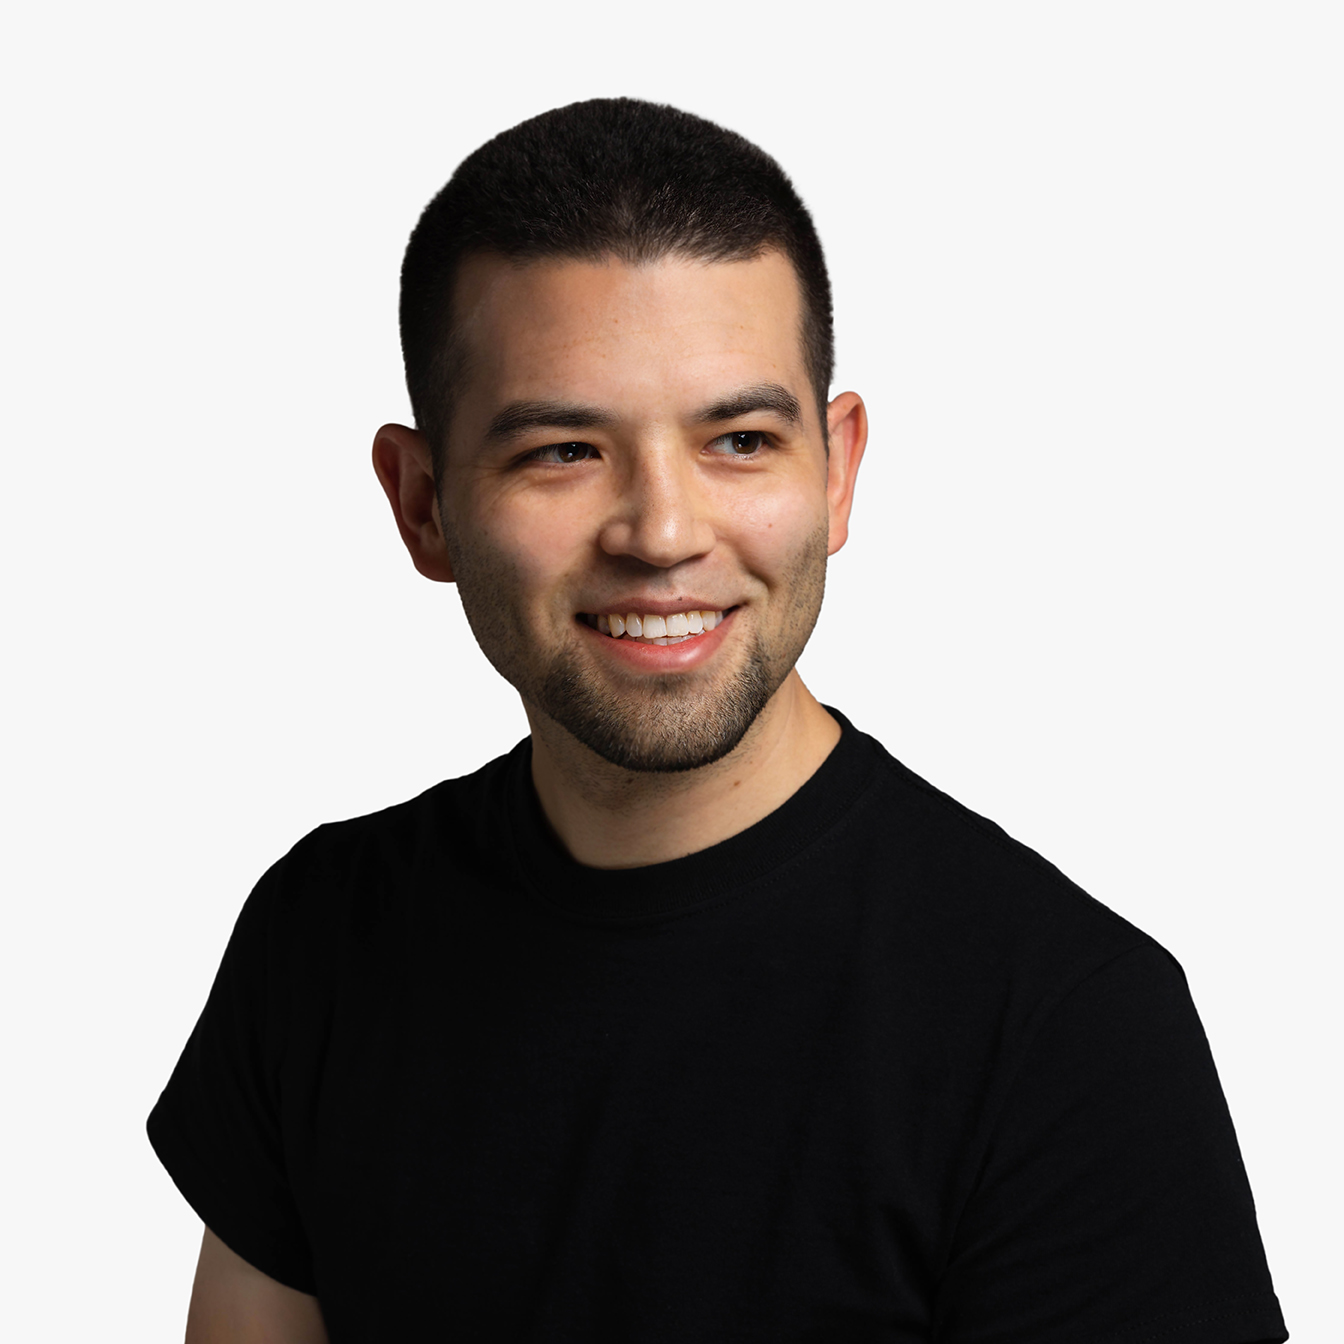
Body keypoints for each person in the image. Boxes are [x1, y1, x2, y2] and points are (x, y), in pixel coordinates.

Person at [148, 98, 1287, 1343]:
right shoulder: (320, 936)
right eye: (564, 452)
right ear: (422, 503)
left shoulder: (1067, 1028)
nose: (664, 532)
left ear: (838, 471)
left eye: (739, 440)